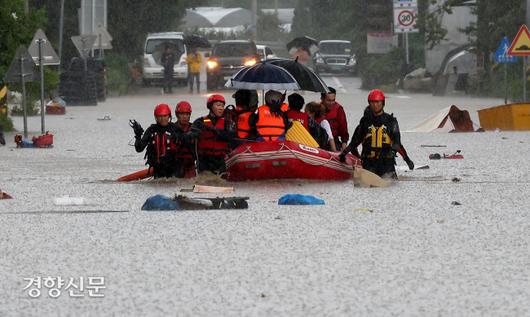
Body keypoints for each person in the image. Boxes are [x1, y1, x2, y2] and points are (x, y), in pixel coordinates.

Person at [339, 89, 414, 179]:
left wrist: (407, 160)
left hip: (386, 163)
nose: (375, 105)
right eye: (372, 102)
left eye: (378, 102)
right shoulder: (365, 121)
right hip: (369, 163)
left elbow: (397, 143)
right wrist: (344, 153)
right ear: (369, 103)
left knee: (391, 185)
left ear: (383, 103)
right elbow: (355, 142)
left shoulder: (391, 121)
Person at [130, 103, 179, 178]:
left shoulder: (175, 129)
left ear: (169, 116)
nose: (162, 119)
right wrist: (138, 135)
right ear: (156, 117)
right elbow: (139, 148)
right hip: (157, 171)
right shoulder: (151, 130)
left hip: (174, 171)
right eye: (160, 116)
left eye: (165, 116)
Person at [191, 94, 233, 174]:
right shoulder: (200, 121)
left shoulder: (227, 123)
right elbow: (192, 134)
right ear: (210, 106)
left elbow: (230, 136)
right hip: (204, 160)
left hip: (220, 160)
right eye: (218, 105)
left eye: (222, 106)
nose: (221, 108)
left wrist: (215, 130)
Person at [173, 101, 196, 178]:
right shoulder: (171, 129)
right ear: (177, 115)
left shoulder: (195, 129)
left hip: (190, 165)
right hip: (174, 165)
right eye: (182, 114)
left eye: (187, 114)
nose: (184, 117)